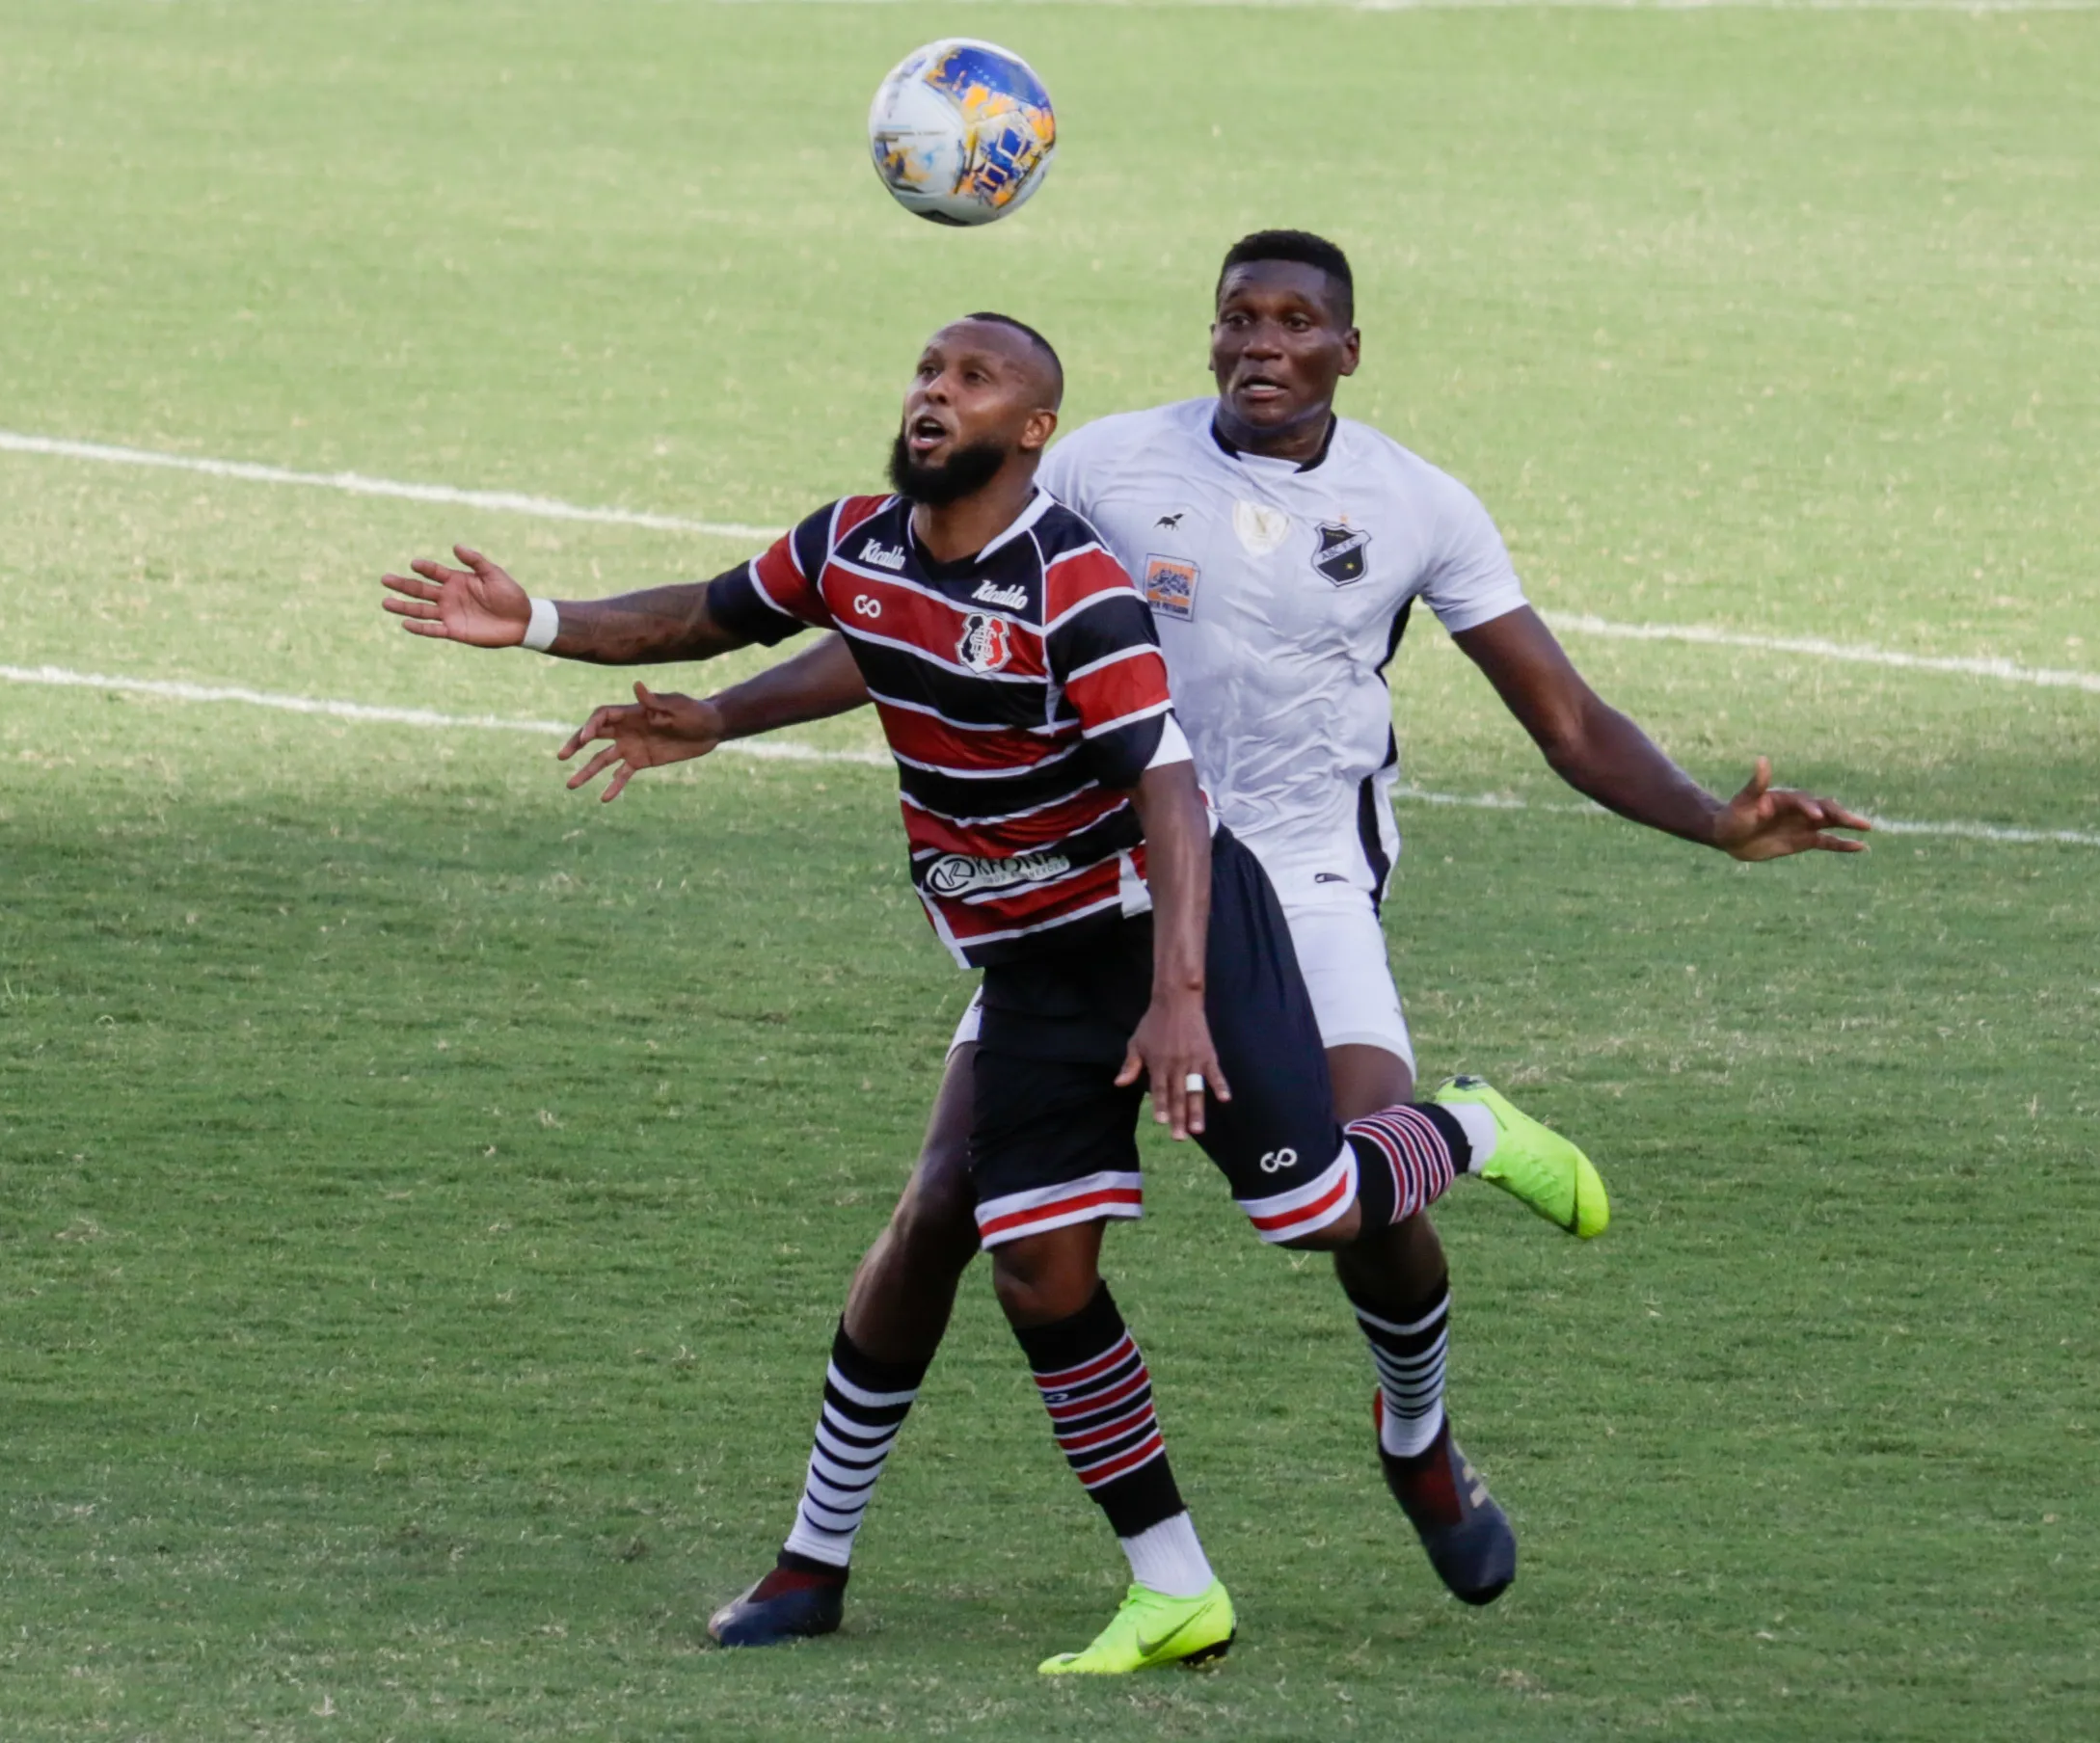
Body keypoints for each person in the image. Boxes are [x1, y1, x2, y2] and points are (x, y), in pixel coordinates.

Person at [551, 232, 1872, 1649]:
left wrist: (1705, 821)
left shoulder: (1419, 504)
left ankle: (1417, 1431)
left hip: (1294, 877)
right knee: (949, 1204)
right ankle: (813, 1560)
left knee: (1360, 1199)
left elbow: (1567, 718)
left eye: (1295, 322)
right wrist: (729, 712)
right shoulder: (1105, 466)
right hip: (1088, 872)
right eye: (1238, 318)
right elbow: (932, 616)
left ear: (1345, 353)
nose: (1260, 343)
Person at [377, 310, 1593, 1675]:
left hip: (1165, 925)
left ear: (1032, 432)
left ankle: (1472, 1128)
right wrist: (539, 623)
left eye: (971, 379)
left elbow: (1174, 793)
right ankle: (1172, 1584)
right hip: (1032, 961)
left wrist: (1179, 997)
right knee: (1034, 1267)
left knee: (1308, 1209)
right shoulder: (851, 541)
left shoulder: (1075, 585)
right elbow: (705, 616)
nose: (931, 394)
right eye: (924, 372)